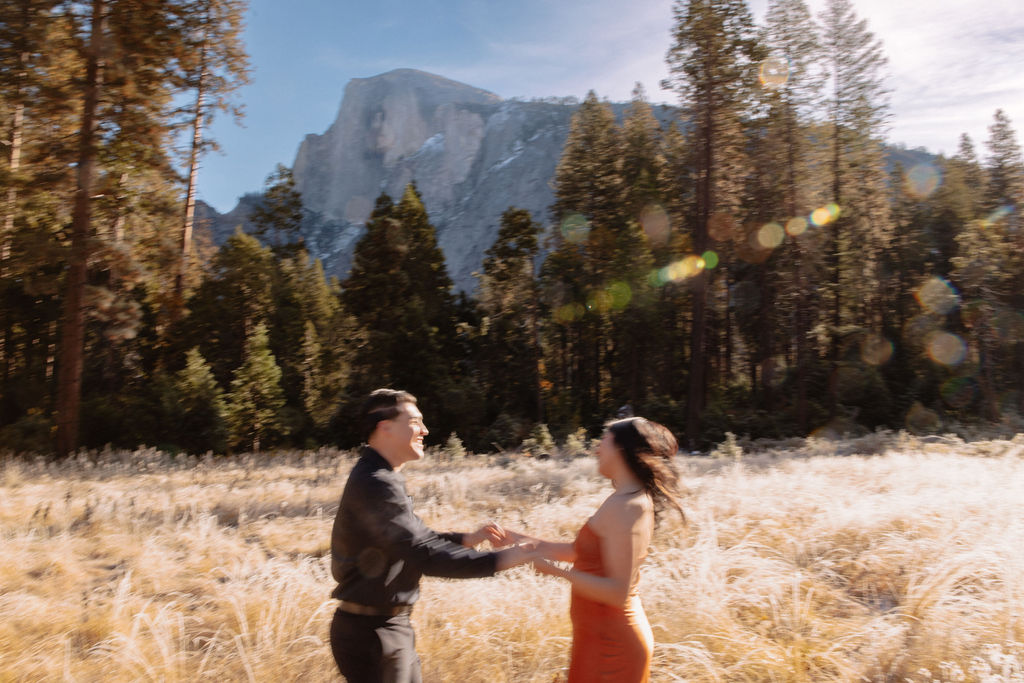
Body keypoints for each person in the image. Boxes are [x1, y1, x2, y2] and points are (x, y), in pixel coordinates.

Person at [329, 388, 536, 683]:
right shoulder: (377, 482)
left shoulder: (381, 476)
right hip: (373, 633)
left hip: (383, 627)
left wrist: (466, 539)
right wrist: (502, 559)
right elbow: (422, 552)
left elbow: (412, 538)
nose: (424, 430)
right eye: (415, 422)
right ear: (385, 427)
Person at [500, 417, 685, 683]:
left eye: (604, 440)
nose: (597, 449)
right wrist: (514, 539)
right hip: (596, 636)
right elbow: (579, 552)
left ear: (622, 449)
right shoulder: (621, 499)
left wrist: (555, 571)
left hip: (614, 647)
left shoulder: (631, 505)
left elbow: (617, 592)